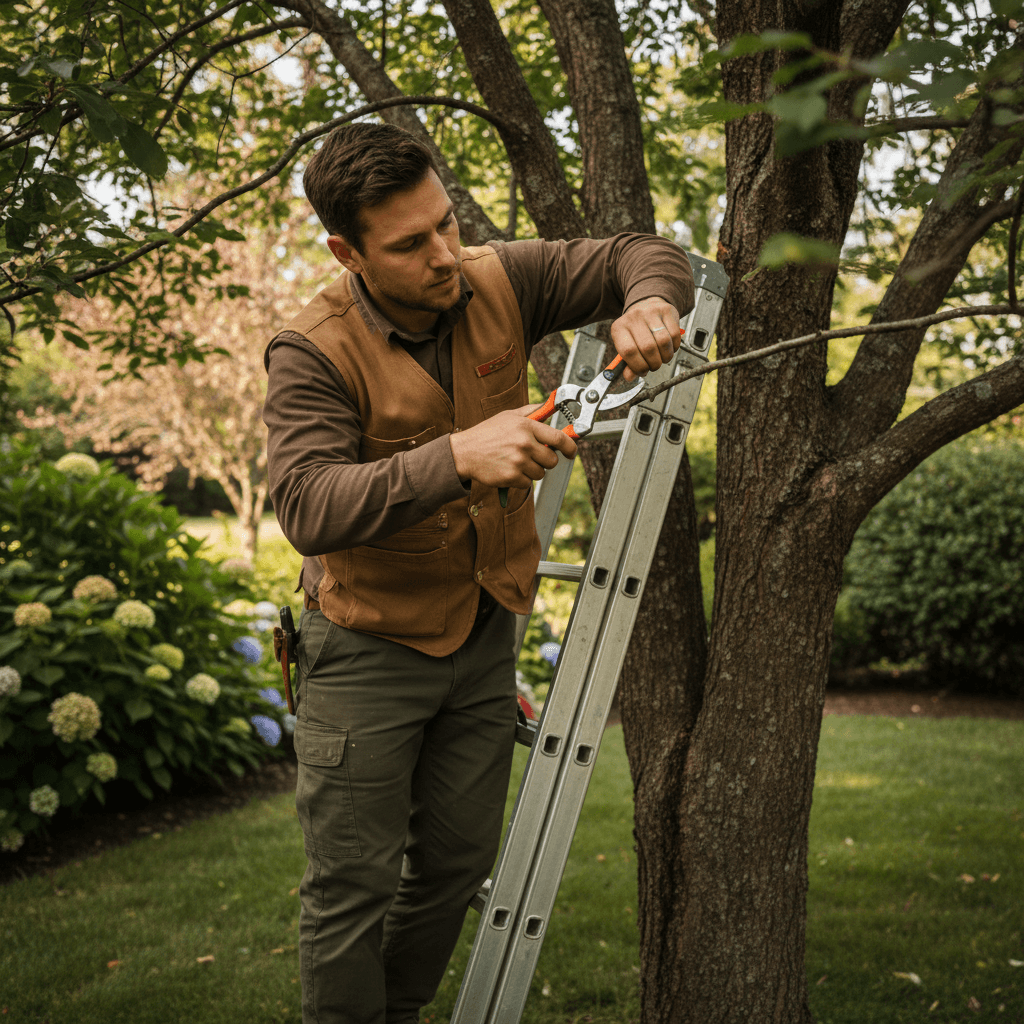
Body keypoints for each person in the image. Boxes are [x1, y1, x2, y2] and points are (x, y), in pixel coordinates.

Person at [263, 121, 694, 1024]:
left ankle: (398, 1011)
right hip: (366, 647)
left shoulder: (499, 275)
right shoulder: (310, 350)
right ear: (348, 250)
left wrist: (651, 300)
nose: (445, 254)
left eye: (447, 224)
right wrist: (459, 454)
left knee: (456, 868)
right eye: (411, 243)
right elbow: (305, 505)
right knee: (352, 889)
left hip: (484, 633)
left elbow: (637, 249)